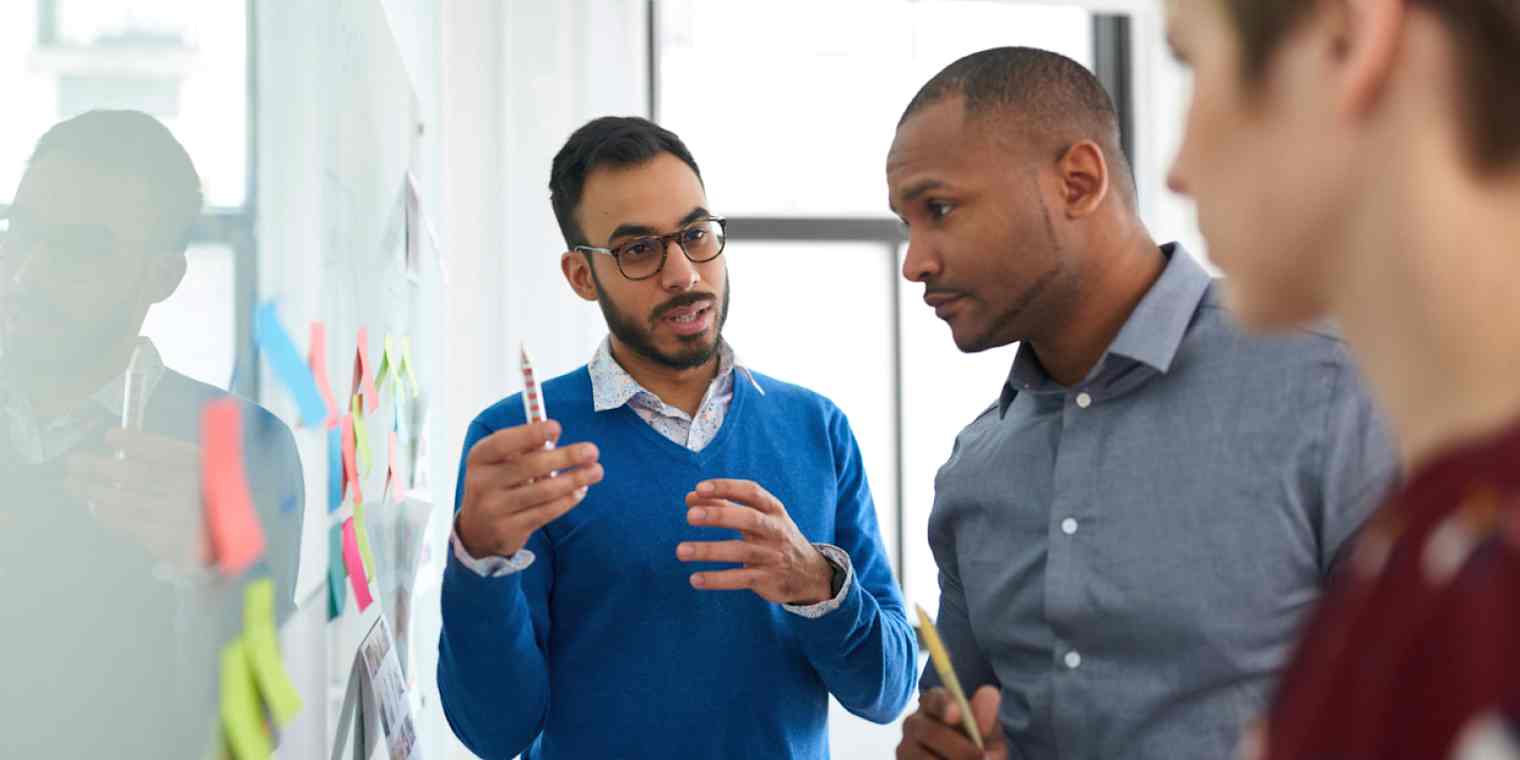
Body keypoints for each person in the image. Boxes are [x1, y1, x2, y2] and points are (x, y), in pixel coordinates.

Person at [886, 47, 1399, 759]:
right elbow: (969, 718)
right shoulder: (974, 473)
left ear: (1078, 181)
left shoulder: (1333, 388)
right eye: (905, 223)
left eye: (938, 209)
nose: (914, 261)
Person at [437, 116, 917, 759]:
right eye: (639, 250)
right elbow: (497, 732)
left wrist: (815, 584)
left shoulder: (817, 428)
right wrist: (481, 562)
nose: (683, 273)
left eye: (696, 235)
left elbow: (886, 692)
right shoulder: (519, 443)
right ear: (582, 276)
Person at [1164, 0, 1520, 757]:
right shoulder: (1430, 531)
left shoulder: (1487, 571)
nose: (1178, 166)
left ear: (1347, 39)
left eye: (1191, 63)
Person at [0, 110, 304, 757]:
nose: (28, 272)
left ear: (162, 277)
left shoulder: (244, 448)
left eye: (82, 247)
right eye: (19, 232)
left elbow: (251, 733)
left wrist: (214, 572)